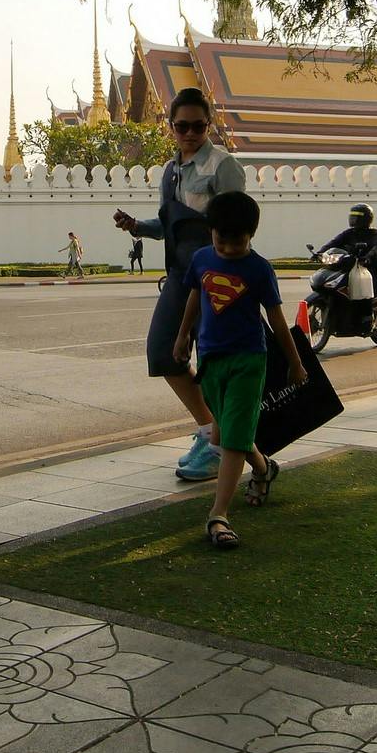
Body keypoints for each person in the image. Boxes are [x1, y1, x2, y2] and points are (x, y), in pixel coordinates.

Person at [113, 86, 246, 481]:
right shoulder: (171, 171)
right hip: (179, 275)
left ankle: (221, 445)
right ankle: (210, 431)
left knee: (214, 363)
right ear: (170, 127)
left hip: (216, 278)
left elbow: (236, 227)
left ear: (209, 125)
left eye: (197, 126)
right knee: (163, 353)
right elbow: (170, 225)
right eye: (181, 126)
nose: (189, 133)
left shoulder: (223, 166)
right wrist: (137, 226)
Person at [172, 190, 306, 550]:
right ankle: (263, 468)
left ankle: (219, 515)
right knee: (226, 434)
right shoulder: (201, 260)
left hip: (249, 361)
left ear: (252, 236)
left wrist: (295, 362)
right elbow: (195, 297)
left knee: (230, 439)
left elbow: (276, 318)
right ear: (211, 232)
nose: (229, 248)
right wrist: (183, 335)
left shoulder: (259, 269)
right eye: (222, 240)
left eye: (239, 241)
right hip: (211, 360)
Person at [316, 203, 377, 295]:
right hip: (351, 265)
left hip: (370, 267)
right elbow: (334, 242)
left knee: (365, 291)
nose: (354, 220)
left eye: (357, 217)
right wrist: (320, 253)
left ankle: (367, 308)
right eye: (353, 216)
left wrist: (367, 258)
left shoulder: (376, 234)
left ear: (366, 218)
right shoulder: (349, 233)